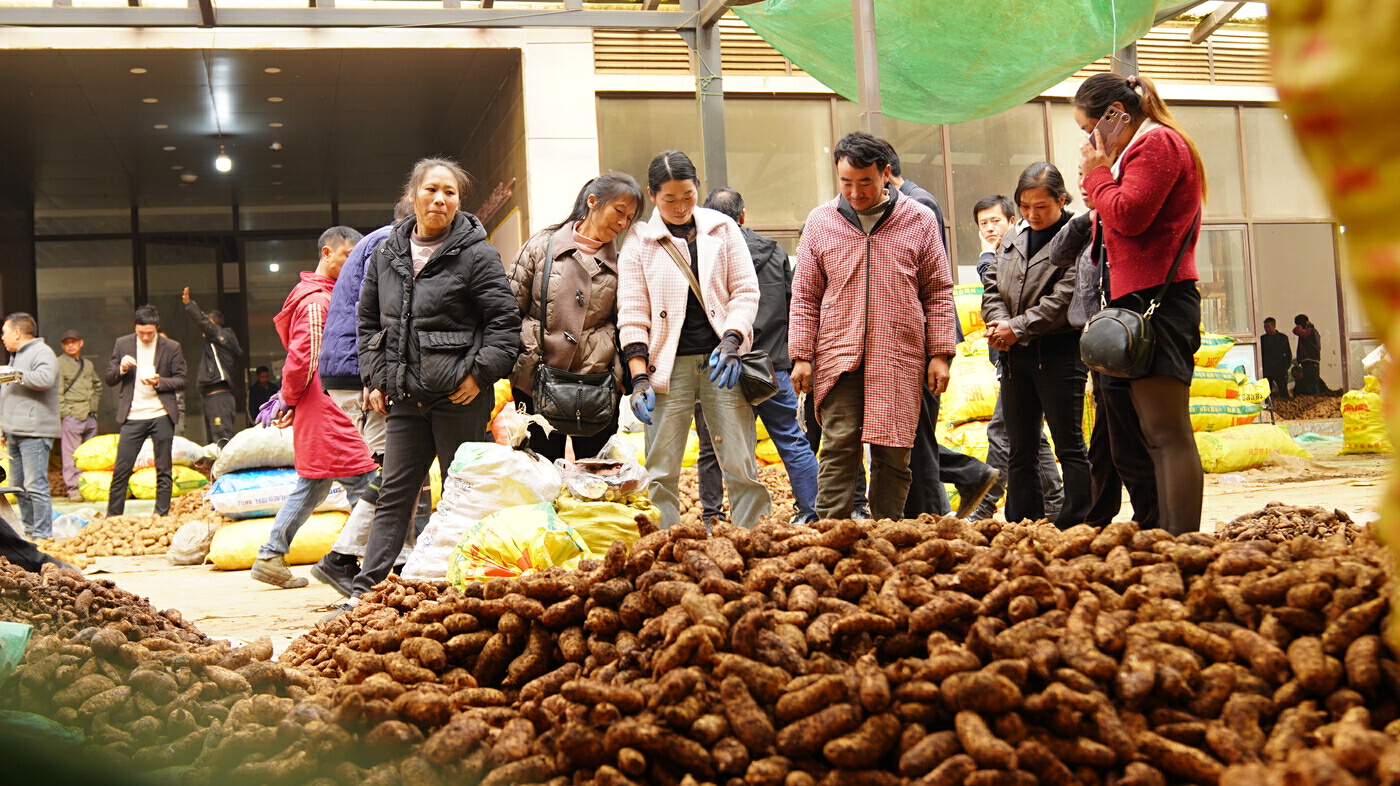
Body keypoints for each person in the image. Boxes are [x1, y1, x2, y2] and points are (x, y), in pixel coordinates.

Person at [342, 157, 520, 612]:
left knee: (462, 494)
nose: (440, 199)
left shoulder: (476, 253)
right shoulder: (386, 253)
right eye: (431, 190)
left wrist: (479, 375)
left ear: (458, 202)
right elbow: (368, 323)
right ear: (413, 195)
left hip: (458, 399)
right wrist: (376, 379)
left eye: (451, 192)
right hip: (404, 397)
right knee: (393, 495)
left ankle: (465, 591)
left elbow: (505, 323)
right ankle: (366, 593)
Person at [790, 132, 956, 520]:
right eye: (846, 182)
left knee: (894, 450)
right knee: (837, 447)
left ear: (885, 174)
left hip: (897, 355)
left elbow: (938, 291)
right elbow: (804, 296)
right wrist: (801, 356)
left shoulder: (919, 219)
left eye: (865, 181)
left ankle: (887, 535)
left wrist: (941, 354)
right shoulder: (820, 222)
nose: (855, 192)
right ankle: (831, 534)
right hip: (837, 354)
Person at [1076, 71, 1206, 535]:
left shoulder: (1158, 144)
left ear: (1116, 116)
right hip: (1138, 302)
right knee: (1150, 437)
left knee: (1166, 434)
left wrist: (1096, 175)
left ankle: (1182, 541)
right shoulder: (1138, 149)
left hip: (1158, 303)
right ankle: (1166, 536)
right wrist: (1101, 177)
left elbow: (1129, 216)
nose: (1089, 141)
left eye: (1091, 128)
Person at [618, 150, 770, 528]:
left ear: (697, 188)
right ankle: (663, 545)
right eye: (669, 199)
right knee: (662, 467)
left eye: (688, 195)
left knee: (740, 460)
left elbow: (746, 292)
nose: (681, 206)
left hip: (722, 362)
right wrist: (639, 379)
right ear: (652, 195)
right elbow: (633, 313)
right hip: (667, 367)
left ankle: (754, 537)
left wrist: (733, 341)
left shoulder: (722, 228)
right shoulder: (639, 239)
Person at [251, 226, 379, 589]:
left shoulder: (324, 296)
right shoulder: (316, 301)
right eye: (347, 255)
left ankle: (271, 555)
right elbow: (305, 358)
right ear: (326, 253)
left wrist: (290, 400)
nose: (354, 262)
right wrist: (287, 399)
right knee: (365, 481)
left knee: (314, 484)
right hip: (326, 407)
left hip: (315, 404)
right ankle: (367, 566)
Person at [691, 187, 820, 525]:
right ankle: (812, 512)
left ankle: (712, 516)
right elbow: (795, 304)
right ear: (743, 215)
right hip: (772, 364)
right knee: (792, 441)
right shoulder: (775, 250)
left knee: (714, 446)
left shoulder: (705, 254)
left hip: (724, 366)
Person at [884, 143, 999, 520]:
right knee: (912, 433)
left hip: (921, 337)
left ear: (884, 173)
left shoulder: (918, 206)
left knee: (916, 433)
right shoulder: (902, 203)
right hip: (905, 338)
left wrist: (938, 350)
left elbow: (934, 284)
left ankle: (941, 508)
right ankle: (969, 477)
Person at [311, 199, 413, 596]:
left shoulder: (376, 240)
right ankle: (340, 558)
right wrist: (378, 377)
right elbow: (386, 312)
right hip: (361, 370)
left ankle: (398, 557)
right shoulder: (391, 242)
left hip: (349, 367)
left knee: (397, 469)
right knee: (396, 470)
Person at [982, 163, 1091, 527]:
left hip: (1059, 353)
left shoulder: (1078, 237)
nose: (1031, 214)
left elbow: (1065, 297)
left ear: (1061, 199)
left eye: (1041, 206)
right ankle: (1023, 522)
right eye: (1025, 206)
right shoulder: (1014, 237)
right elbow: (992, 287)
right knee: (1020, 449)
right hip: (1015, 357)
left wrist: (1017, 326)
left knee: (1068, 445)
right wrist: (1000, 325)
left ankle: (1078, 523)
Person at [507, 173, 641, 462]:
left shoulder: (625, 261)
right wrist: (514, 366)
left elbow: (628, 320)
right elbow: (510, 308)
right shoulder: (542, 245)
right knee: (537, 476)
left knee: (594, 477)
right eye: (618, 211)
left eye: (629, 218)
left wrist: (619, 378)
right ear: (592, 202)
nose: (622, 223)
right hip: (535, 380)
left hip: (595, 386)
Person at [1048, 187, 1158, 529]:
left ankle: (1150, 519)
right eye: (1081, 176)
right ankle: (1099, 517)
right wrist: (1089, 218)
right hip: (1099, 345)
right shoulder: (1089, 226)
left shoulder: (1126, 223)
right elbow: (1058, 254)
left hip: (1124, 342)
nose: (1084, 184)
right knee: (1105, 440)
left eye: (1091, 176)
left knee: (1126, 438)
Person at [969, 195, 1065, 522]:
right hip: (1008, 359)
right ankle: (1055, 502)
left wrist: (986, 255)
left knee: (1002, 432)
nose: (990, 228)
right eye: (983, 224)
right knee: (1032, 438)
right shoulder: (1000, 253)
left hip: (1032, 354)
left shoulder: (1019, 251)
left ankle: (983, 505)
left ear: (1012, 221)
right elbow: (991, 297)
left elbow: (994, 283)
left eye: (996, 220)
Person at [104, 306, 187, 517]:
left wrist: (161, 381)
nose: (146, 337)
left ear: (157, 328)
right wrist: (122, 368)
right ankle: (113, 519)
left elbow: (182, 380)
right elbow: (109, 378)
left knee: (163, 470)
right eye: (141, 333)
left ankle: (161, 516)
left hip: (161, 413)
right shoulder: (123, 344)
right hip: (132, 415)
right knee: (122, 469)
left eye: (150, 333)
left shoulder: (171, 347)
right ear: (135, 328)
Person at [1, 313, 61, 539]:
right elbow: (8, 390)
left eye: (4, 333)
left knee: (35, 485)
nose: (3, 338)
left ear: (17, 332)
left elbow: (45, 379)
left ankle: (42, 535)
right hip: (15, 431)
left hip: (35, 432)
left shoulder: (42, 352)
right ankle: (27, 533)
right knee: (19, 486)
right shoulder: (16, 356)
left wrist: (13, 374)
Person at [182, 287, 242, 444]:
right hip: (213, 396)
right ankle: (217, 468)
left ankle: (225, 469)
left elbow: (204, 324)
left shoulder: (222, 336)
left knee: (222, 436)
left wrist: (190, 304)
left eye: (208, 324)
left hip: (219, 396)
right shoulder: (213, 342)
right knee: (216, 437)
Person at [56, 328, 102, 502]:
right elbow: (57, 392)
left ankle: (90, 487)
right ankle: (74, 490)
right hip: (72, 415)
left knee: (92, 455)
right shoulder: (59, 363)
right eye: (67, 343)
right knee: (70, 455)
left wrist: (93, 405)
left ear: (80, 343)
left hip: (89, 414)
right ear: (62, 345)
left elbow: (97, 385)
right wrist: (65, 413)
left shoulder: (88, 364)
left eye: (73, 342)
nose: (70, 345)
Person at [1261, 317, 1293, 400]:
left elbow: (1288, 353)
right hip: (1267, 368)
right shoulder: (1262, 339)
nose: (1266, 329)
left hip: (1280, 368)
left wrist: (1286, 365)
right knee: (1267, 391)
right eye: (1265, 327)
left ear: (1274, 326)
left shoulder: (1282, 338)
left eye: (1268, 327)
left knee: (1283, 390)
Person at [1293, 314, 1325, 394]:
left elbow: (1296, 330)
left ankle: (1315, 401)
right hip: (1311, 361)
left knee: (1312, 386)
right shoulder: (1312, 331)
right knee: (1311, 384)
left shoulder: (1309, 331)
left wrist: (1303, 324)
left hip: (1310, 361)